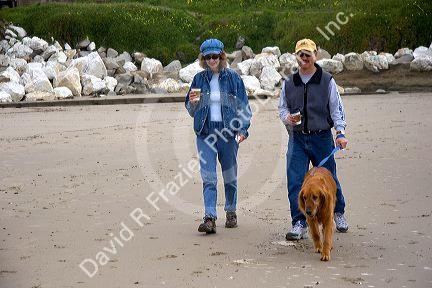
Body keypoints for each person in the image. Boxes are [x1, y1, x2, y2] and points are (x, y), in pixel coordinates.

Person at [278, 38, 349, 240]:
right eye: (301, 54)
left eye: (308, 54)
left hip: (322, 137)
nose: (304, 58)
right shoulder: (289, 83)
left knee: (329, 179)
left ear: (315, 55)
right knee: (295, 182)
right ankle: (299, 222)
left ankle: (338, 212)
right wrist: (287, 118)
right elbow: (282, 108)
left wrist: (341, 133)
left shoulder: (327, 80)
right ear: (296, 57)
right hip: (297, 138)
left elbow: (336, 109)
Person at [185, 38, 252, 234]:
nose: (212, 60)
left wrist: (243, 130)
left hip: (228, 134)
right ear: (203, 59)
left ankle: (231, 211)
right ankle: (209, 218)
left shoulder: (234, 79)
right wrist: (192, 102)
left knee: (229, 177)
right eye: (208, 57)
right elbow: (191, 109)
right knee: (208, 177)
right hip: (205, 134)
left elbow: (245, 109)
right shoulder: (198, 79)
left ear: (222, 56)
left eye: (215, 56)